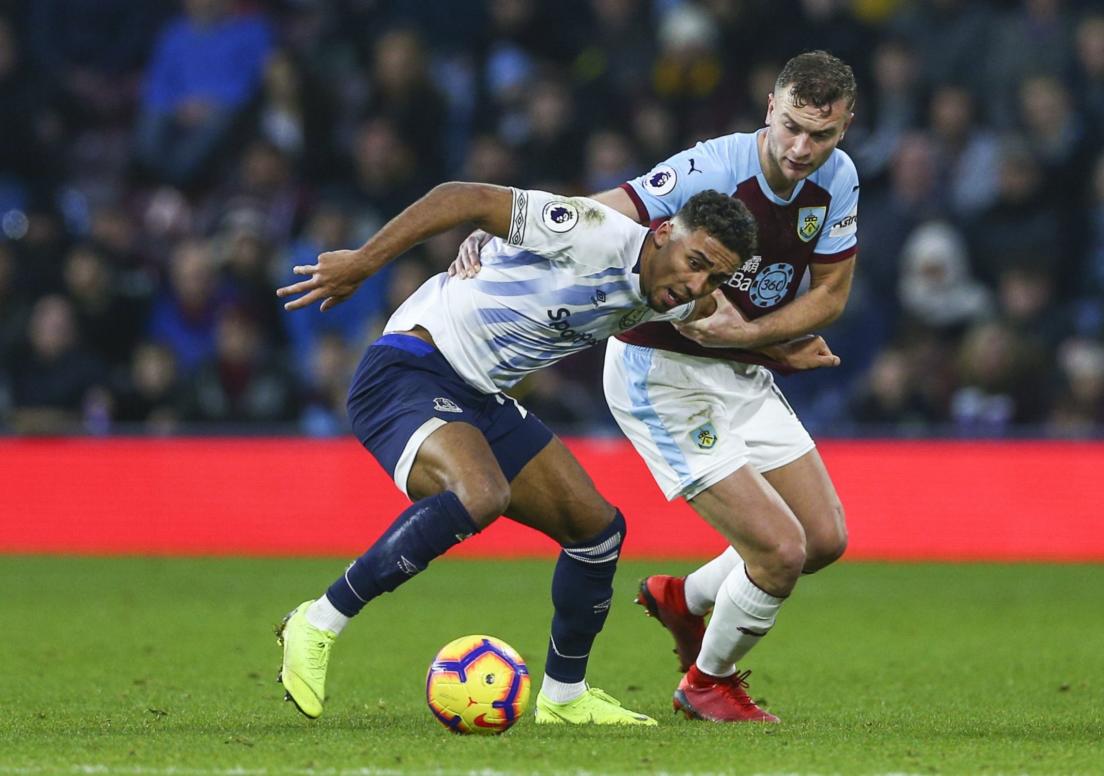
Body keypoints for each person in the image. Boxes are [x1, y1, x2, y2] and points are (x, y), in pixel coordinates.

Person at [273, 179, 811, 725]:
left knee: (597, 533)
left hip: (483, 398)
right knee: (481, 493)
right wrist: (365, 263)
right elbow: (463, 196)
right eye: (695, 260)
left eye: (714, 275)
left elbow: (715, 320)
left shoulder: (680, 296)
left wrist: (782, 348)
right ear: (664, 232)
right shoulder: (591, 232)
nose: (695, 282)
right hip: (411, 367)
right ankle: (318, 621)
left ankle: (564, 697)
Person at [452, 50, 860, 723]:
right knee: (781, 552)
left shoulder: (838, 181)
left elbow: (832, 294)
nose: (802, 147)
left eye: (822, 134)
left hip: (739, 368)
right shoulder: (713, 167)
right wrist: (503, 233)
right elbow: (602, 213)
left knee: (822, 540)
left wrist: (746, 339)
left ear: (844, 128)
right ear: (769, 108)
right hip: (659, 372)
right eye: (792, 126)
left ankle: (684, 599)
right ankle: (708, 682)